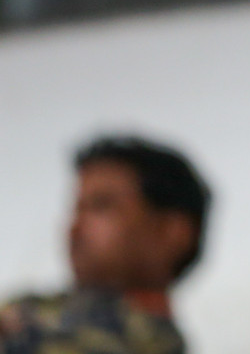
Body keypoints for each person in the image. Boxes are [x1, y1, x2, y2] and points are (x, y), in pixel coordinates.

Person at [0, 135, 212, 354]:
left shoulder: (149, 343)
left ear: (173, 231)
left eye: (101, 206)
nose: (75, 227)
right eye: (77, 209)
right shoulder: (30, 310)